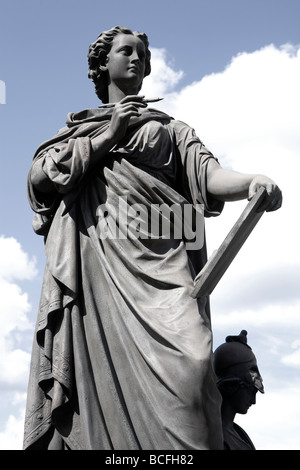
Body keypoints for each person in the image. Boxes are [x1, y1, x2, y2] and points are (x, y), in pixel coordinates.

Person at [23, 26, 282, 450]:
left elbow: (209, 175)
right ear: (102, 64)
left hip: (162, 263)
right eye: (126, 51)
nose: (137, 59)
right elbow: (40, 179)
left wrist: (252, 180)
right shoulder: (79, 130)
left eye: (143, 54)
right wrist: (108, 135)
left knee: (194, 369)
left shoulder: (171, 130)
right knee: (95, 387)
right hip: (98, 271)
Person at [214, 330, 264, 450]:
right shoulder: (211, 434)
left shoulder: (240, 434)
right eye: (250, 391)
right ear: (232, 384)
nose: (253, 401)